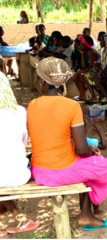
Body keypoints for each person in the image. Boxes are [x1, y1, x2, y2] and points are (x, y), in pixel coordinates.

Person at [28, 57, 107, 234]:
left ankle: (87, 214)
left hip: (40, 171)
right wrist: (90, 150)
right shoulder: (71, 106)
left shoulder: (32, 105)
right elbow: (83, 150)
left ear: (41, 80)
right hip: (61, 171)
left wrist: (84, 151)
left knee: (86, 164)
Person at [0, 72, 31, 216]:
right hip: (18, 175)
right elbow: (24, 144)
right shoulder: (19, 111)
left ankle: (9, 207)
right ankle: (10, 207)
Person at [72, 36, 101, 103]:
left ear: (86, 45)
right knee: (76, 77)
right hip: (92, 69)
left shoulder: (91, 51)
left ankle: (93, 97)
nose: (80, 45)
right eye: (80, 44)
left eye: (82, 44)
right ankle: (82, 95)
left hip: (98, 69)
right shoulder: (85, 52)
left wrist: (80, 72)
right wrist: (82, 54)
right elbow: (84, 66)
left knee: (82, 76)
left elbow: (91, 67)